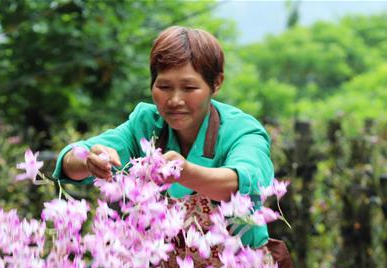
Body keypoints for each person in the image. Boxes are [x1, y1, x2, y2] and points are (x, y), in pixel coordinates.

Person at [52, 25, 271, 249]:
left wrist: (184, 172)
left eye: (189, 87)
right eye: (164, 86)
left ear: (216, 83)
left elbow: (244, 182)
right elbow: (69, 161)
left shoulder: (243, 131)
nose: (175, 100)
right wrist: (90, 160)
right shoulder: (146, 125)